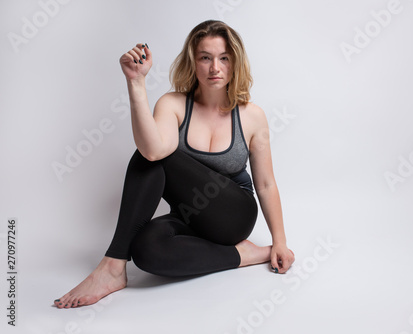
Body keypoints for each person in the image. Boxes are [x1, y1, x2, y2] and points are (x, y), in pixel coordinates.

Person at [53, 20, 295, 309]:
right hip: (190, 217)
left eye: (224, 58)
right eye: (205, 57)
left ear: (235, 62)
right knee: (145, 250)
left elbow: (266, 184)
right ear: (193, 62)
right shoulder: (174, 104)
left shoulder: (252, 116)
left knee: (155, 156)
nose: (215, 68)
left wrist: (279, 240)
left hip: (234, 214)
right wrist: (136, 83)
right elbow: (152, 150)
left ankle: (113, 265)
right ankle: (247, 255)